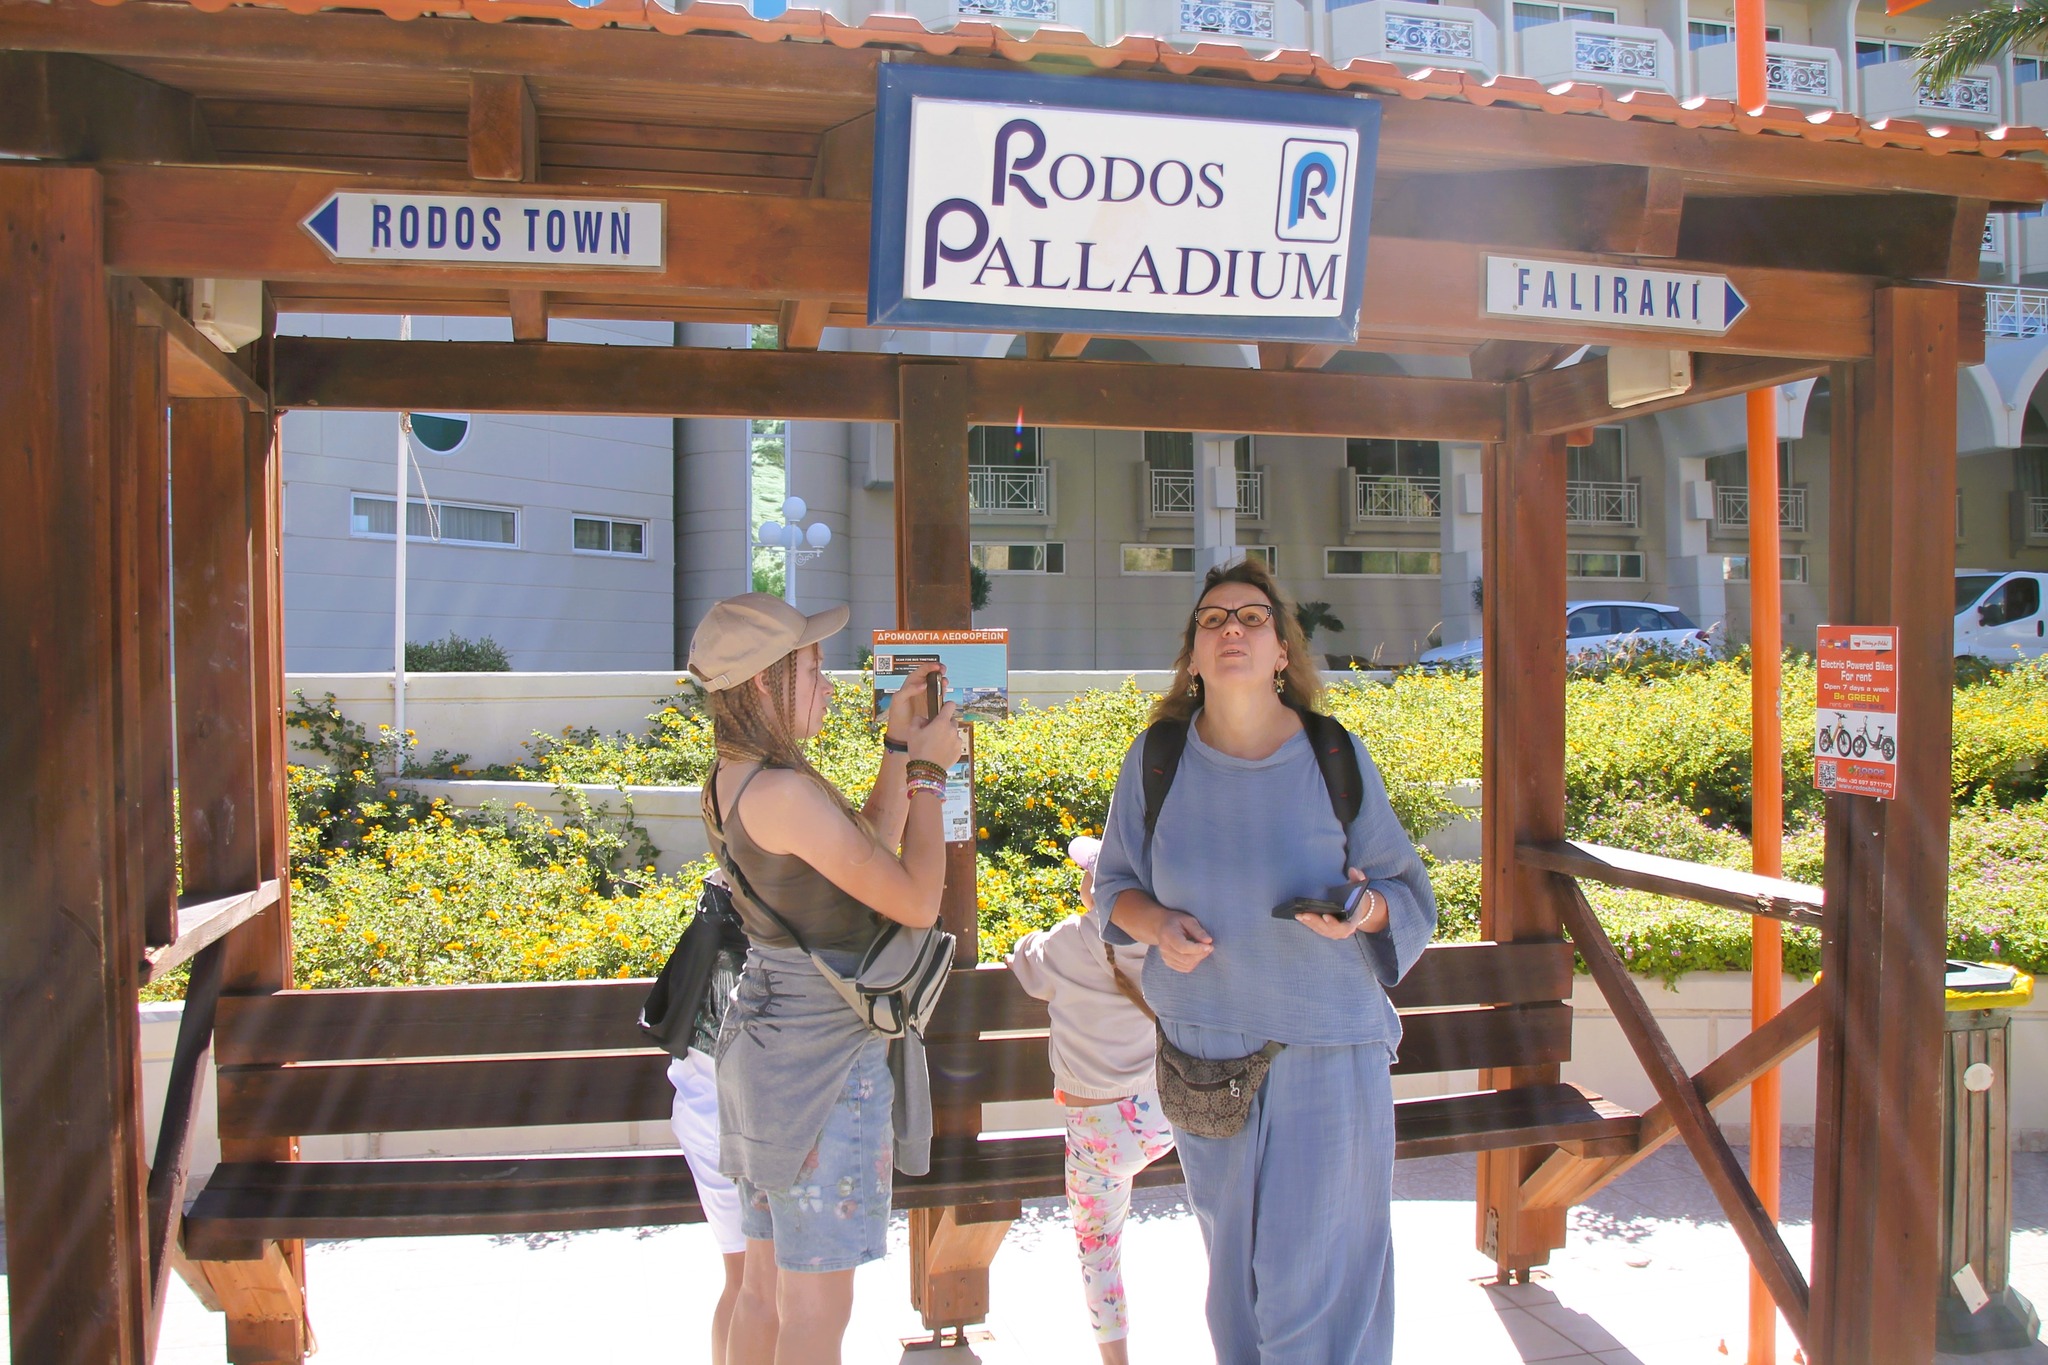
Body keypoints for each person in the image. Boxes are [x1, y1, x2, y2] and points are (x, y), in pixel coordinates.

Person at [1089, 558, 1437, 1365]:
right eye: (1213, 619)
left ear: (1283, 649)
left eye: (1252, 616)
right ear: (1193, 655)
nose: (1232, 630)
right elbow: (1113, 890)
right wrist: (1159, 924)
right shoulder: (1156, 759)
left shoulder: (1334, 753)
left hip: (1328, 1048)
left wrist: (1362, 911)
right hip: (1205, 1056)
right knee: (1238, 1292)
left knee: (1308, 1284)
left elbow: (1404, 892)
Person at [686, 592, 962, 1365]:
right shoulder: (782, 791)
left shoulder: (735, 779)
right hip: (823, 1067)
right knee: (815, 1310)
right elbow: (914, 899)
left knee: (762, 1290)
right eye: (813, 669)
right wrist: (932, 775)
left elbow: (861, 847)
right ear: (764, 681)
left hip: (767, 1052)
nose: (828, 684)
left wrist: (899, 745)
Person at [1006, 835, 1173, 1365]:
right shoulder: (1169, 943)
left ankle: (1116, 1360)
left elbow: (1021, 958)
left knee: (1099, 1251)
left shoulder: (1066, 943)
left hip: (1096, 1134)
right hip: (1164, 1118)